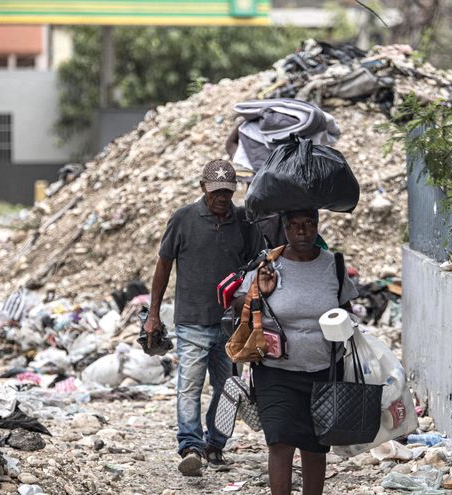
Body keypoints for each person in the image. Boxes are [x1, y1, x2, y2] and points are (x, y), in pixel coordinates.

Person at [145, 159, 261, 477]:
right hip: (192, 319)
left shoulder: (243, 221)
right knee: (190, 386)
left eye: (227, 191)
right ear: (202, 189)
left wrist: (247, 304)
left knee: (227, 389)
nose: (222, 197)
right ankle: (191, 445)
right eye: (216, 192)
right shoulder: (183, 219)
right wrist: (153, 315)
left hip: (230, 324)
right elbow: (163, 266)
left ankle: (216, 444)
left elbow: (255, 265)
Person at [234, 209, 359, 495]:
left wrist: (344, 322)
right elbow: (237, 306)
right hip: (275, 372)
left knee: (315, 446)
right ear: (285, 229)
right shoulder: (267, 264)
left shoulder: (334, 265)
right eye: (294, 225)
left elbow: (347, 311)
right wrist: (259, 293)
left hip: (324, 370)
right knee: (280, 442)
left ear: (317, 227)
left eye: (308, 224)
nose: (301, 231)